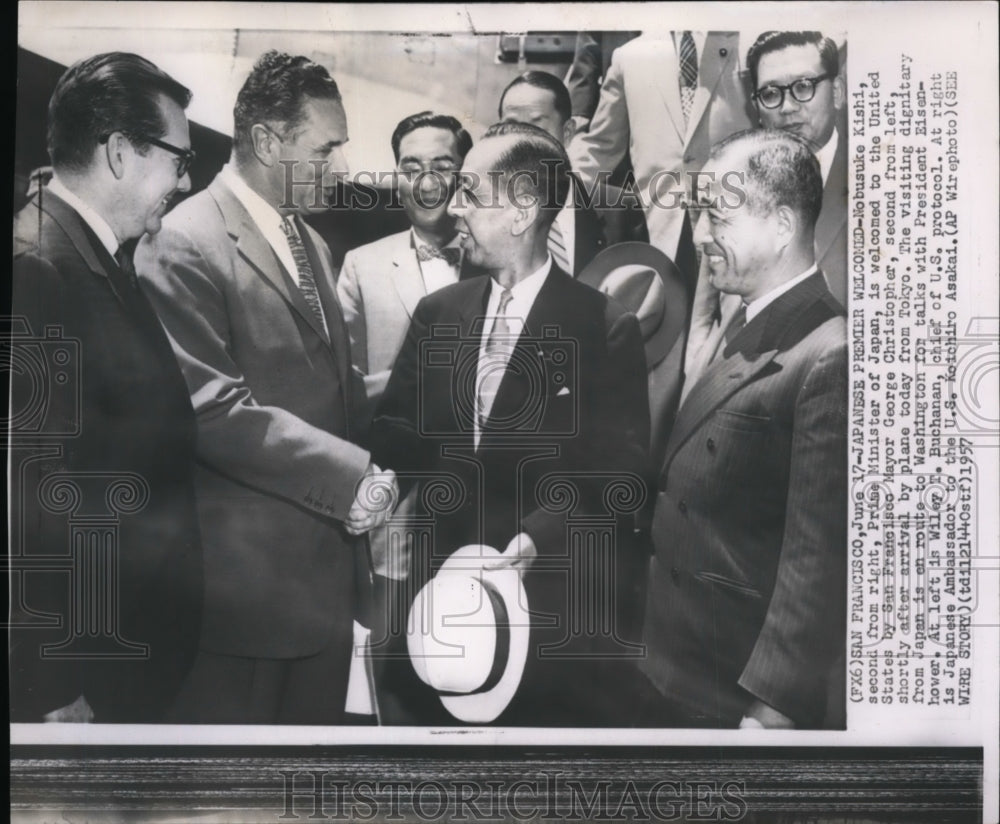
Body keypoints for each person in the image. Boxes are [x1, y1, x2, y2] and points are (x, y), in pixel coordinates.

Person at [135, 50, 397, 724]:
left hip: (323, 597)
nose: (338, 168)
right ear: (266, 141)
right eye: (324, 148)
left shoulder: (313, 243)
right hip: (243, 608)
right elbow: (213, 410)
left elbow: (326, 394)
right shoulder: (182, 242)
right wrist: (351, 477)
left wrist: (412, 389)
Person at [371, 121, 651, 726]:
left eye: (470, 192)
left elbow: (620, 475)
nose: (454, 209)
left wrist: (534, 541)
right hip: (438, 608)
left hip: (545, 609)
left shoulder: (602, 327)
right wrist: (370, 485)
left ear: (523, 209)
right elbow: (397, 434)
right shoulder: (437, 313)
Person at [9, 52, 202, 723]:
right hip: (85, 677)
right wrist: (53, 690)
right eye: (180, 158)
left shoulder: (96, 257)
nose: (183, 180)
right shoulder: (37, 268)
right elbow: (25, 506)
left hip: (126, 657)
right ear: (121, 152)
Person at [635, 129, 847, 729]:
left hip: (732, 695)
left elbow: (818, 558)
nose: (699, 235)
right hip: (675, 663)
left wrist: (773, 706)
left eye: (716, 216)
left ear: (781, 225)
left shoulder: (829, 353)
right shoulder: (751, 324)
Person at [336, 111, 474, 722]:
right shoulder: (362, 264)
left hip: (481, 505)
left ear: (465, 172)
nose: (425, 181)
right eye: (410, 167)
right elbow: (339, 391)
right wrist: (422, 385)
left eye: (442, 166)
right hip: (393, 503)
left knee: (469, 660)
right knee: (390, 662)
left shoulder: (502, 257)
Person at [568, 31, 751, 290]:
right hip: (662, 234)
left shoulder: (745, 40)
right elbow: (601, 146)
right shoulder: (629, 56)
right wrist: (556, 189)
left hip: (735, 228)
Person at [498, 71, 648, 277]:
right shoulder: (485, 214)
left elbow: (637, 296)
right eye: (511, 127)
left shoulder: (620, 209)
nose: (523, 141)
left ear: (567, 132)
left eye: (536, 127)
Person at [747, 31, 847, 305]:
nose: (787, 107)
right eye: (770, 93)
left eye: (803, 87)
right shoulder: (738, 182)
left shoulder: (875, 178)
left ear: (837, 92)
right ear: (756, 107)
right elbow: (705, 318)